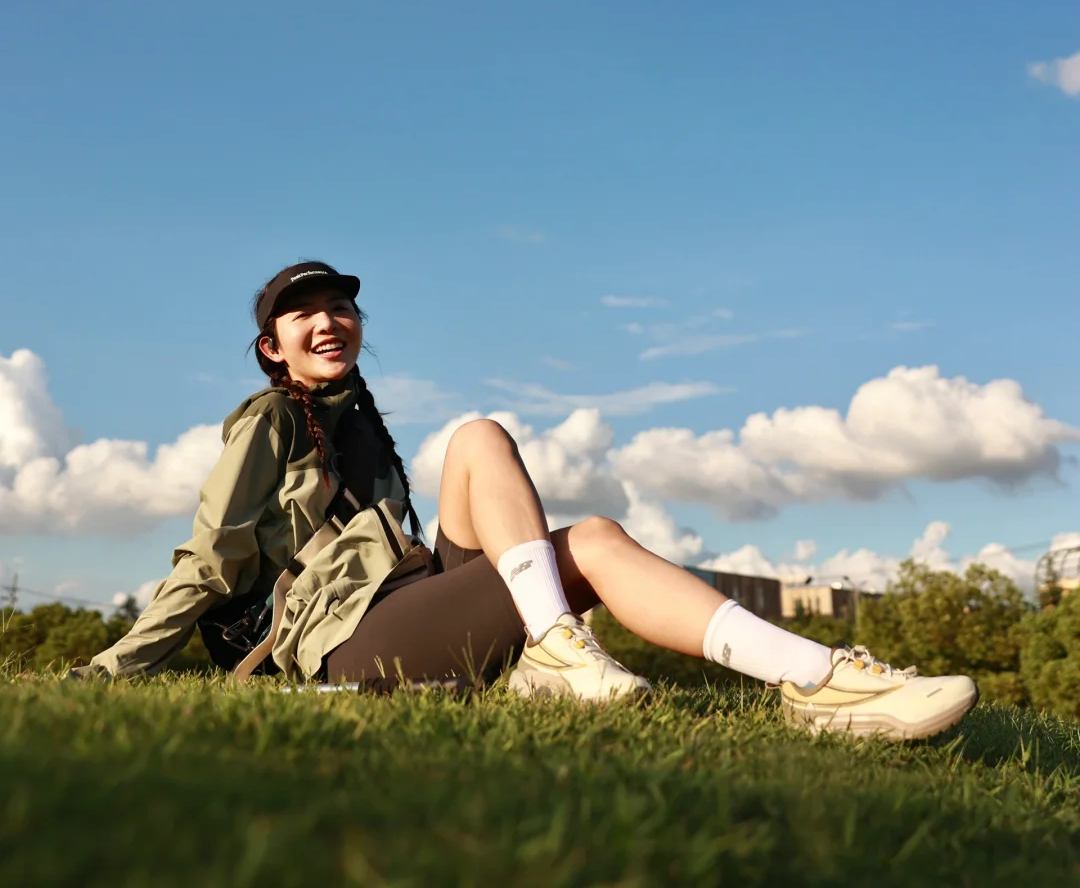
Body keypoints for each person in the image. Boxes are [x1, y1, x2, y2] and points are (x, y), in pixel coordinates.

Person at [83, 261, 978, 740]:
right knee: (568, 536)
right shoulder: (271, 421)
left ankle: (803, 679)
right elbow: (210, 561)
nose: (328, 320)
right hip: (340, 642)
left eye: (340, 307)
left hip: (402, 599)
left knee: (517, 472)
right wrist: (112, 671)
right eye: (302, 312)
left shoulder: (367, 429)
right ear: (272, 347)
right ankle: (819, 683)